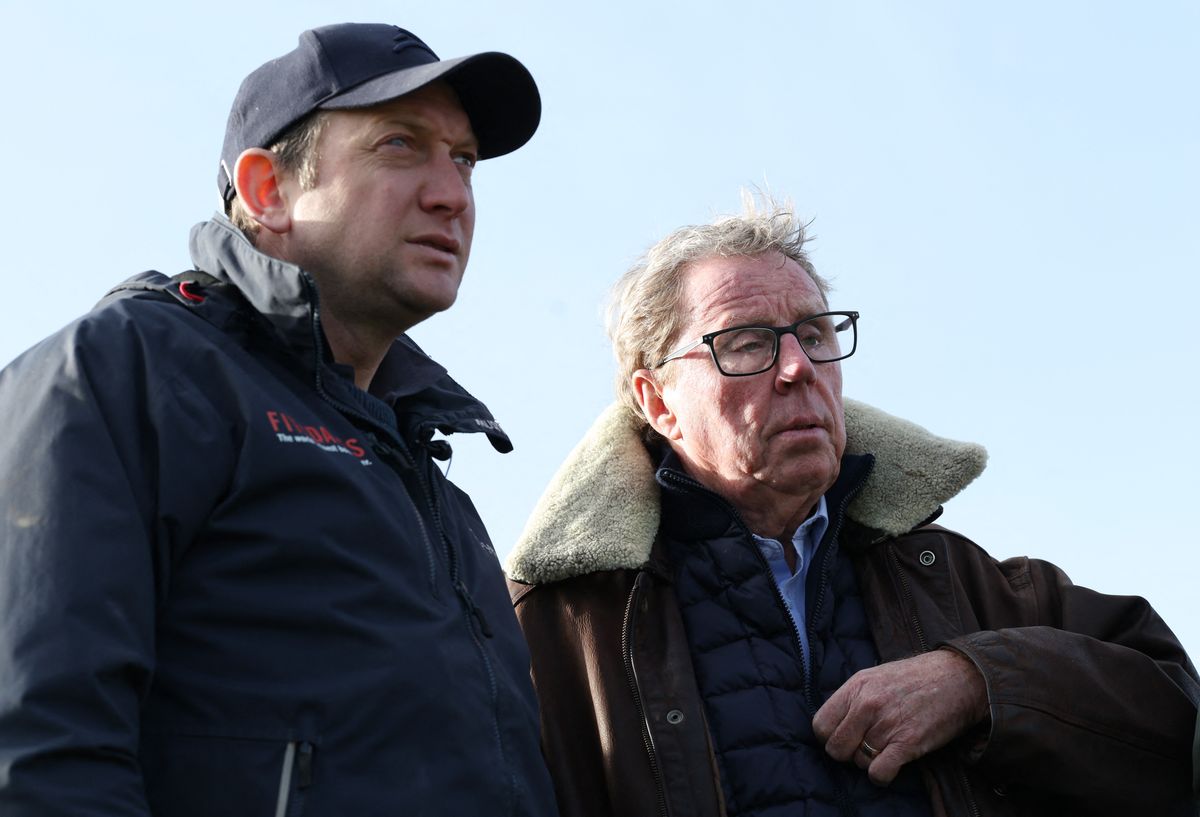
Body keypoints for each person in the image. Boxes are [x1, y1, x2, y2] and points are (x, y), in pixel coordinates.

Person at [0, 23, 558, 817]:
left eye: (463, 159)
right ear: (268, 191)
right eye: (401, 145)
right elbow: (36, 746)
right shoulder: (128, 374)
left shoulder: (437, 487)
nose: (452, 193)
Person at [506, 197, 1200, 816]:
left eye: (814, 335)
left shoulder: (962, 581)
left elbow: (1176, 715)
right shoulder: (553, 627)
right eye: (746, 342)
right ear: (657, 403)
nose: (797, 367)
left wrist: (979, 683)